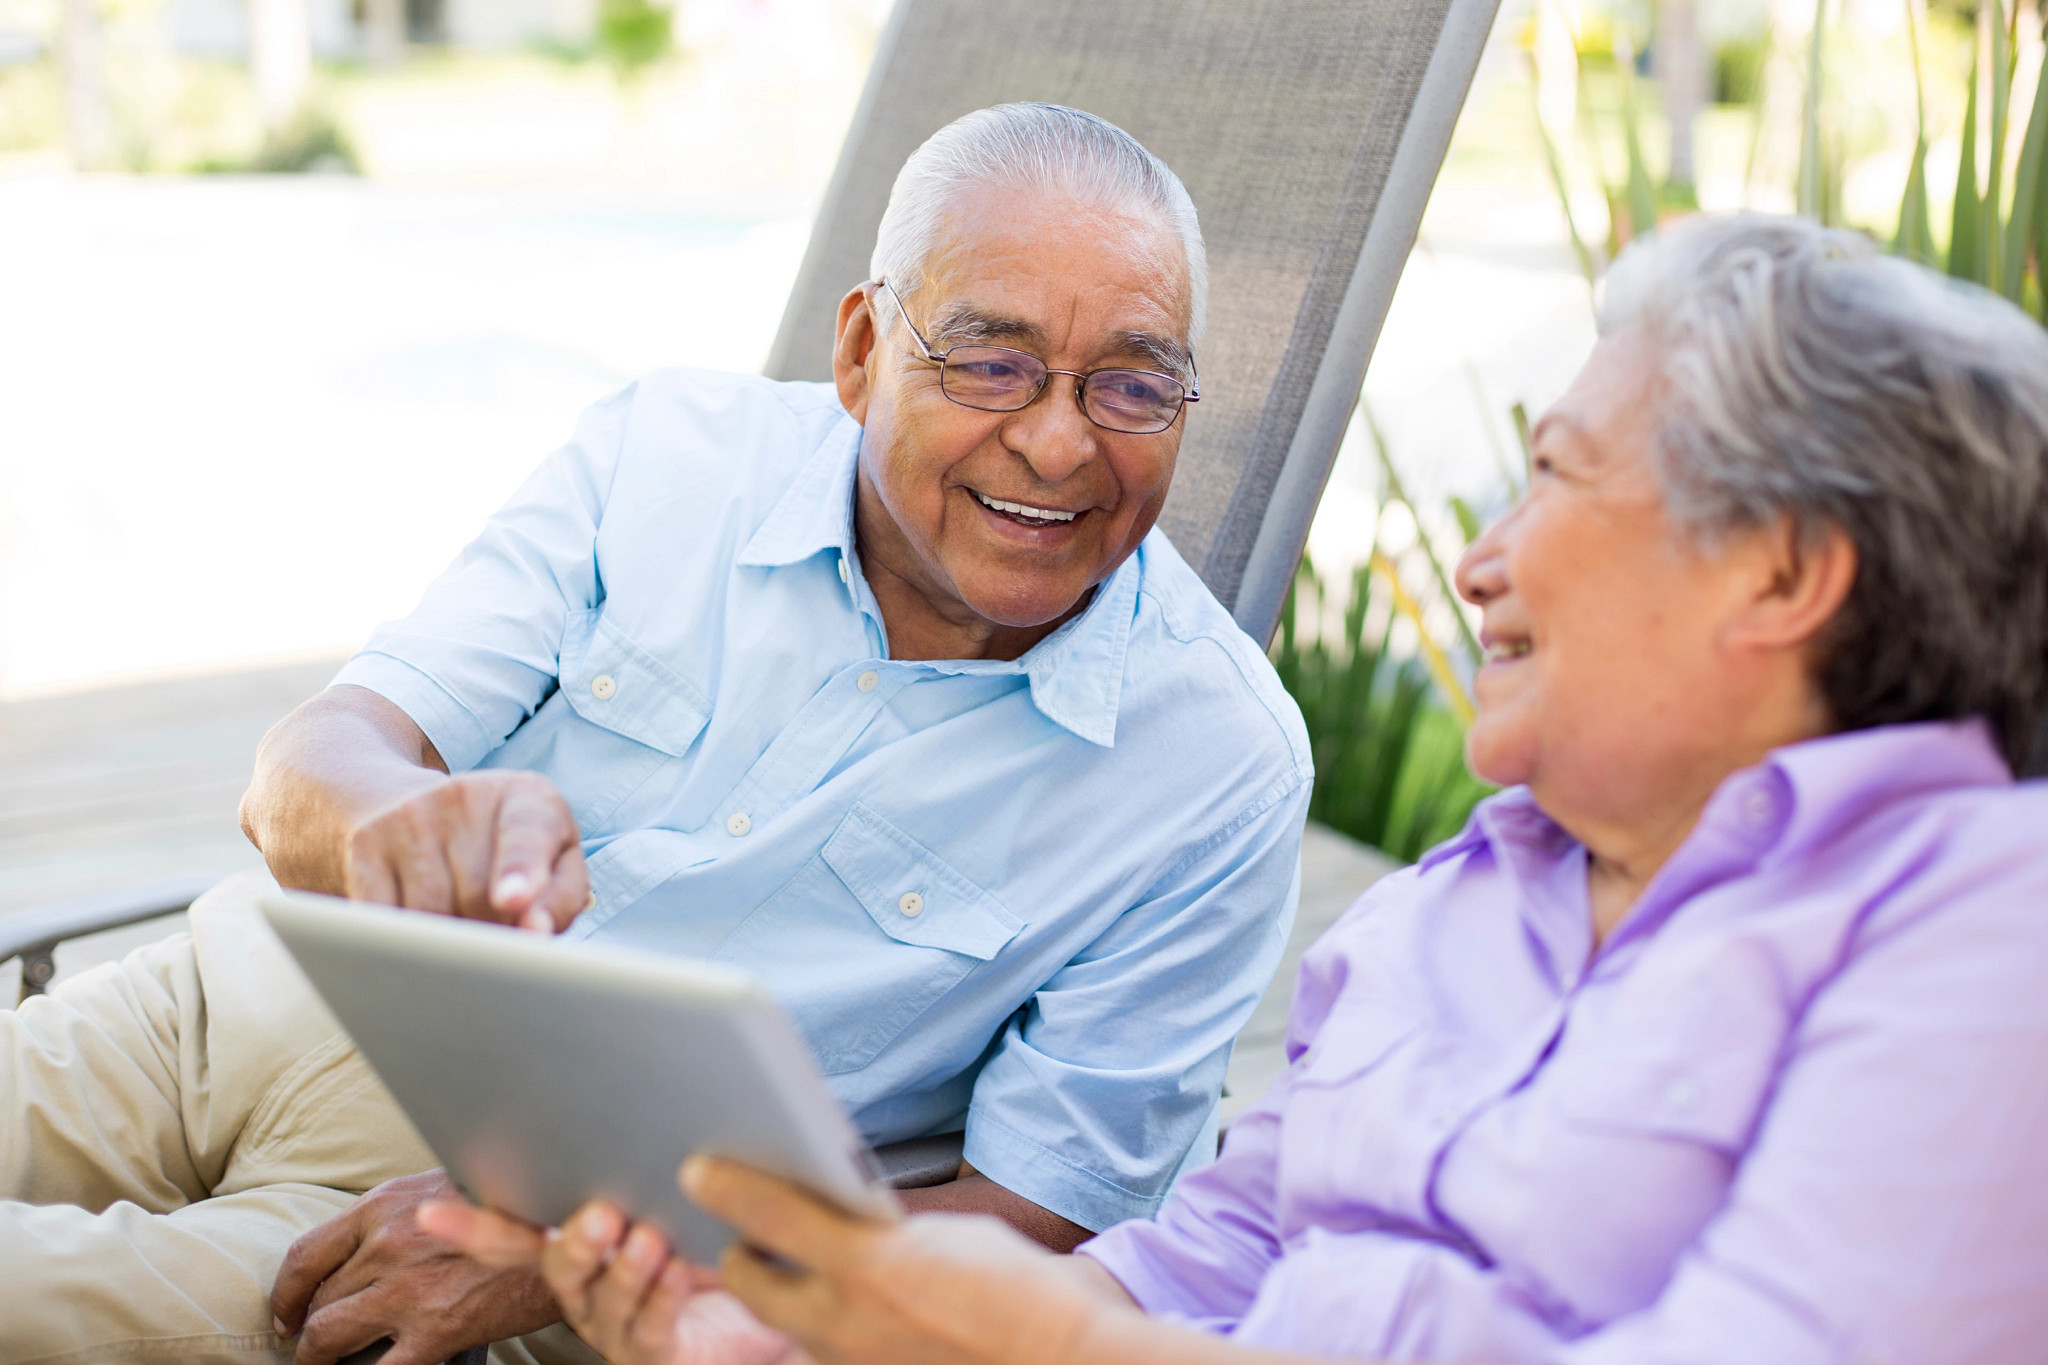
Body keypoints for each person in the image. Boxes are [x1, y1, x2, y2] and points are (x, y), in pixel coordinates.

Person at [435, 212, 2048, 1364]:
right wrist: (795, 1312)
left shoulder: (1979, 921)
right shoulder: (1450, 910)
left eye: (1553, 472)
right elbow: (1209, 1253)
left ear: (1779, 572)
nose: (1480, 563)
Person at [0, 104, 1312, 1365]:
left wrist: (587, 1252)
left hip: (528, 1228)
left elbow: (1031, 1231)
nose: (1057, 441)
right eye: (989, 362)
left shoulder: (1214, 770)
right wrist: (396, 822)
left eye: (1133, 385)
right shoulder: (670, 451)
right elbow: (308, 768)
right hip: (240, 1001)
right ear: (860, 351)